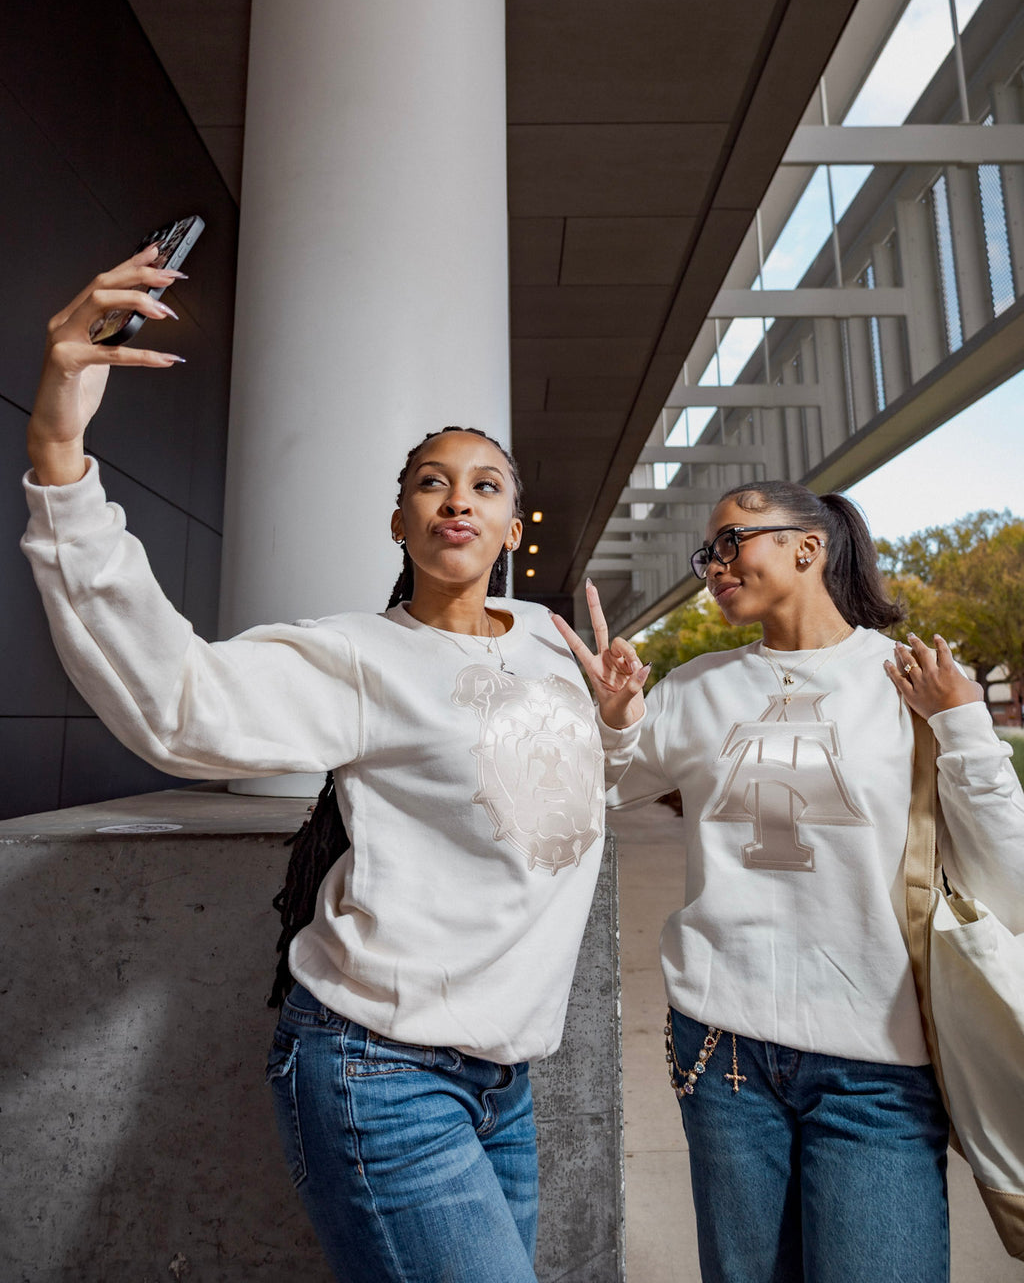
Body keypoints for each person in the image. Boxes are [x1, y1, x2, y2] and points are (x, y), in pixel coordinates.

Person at [20, 250, 649, 1283]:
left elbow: (566, 809)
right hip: (382, 1072)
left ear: (512, 526)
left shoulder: (545, 638)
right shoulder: (359, 657)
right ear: (397, 519)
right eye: (430, 484)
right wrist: (59, 454)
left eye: (484, 486)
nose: (458, 500)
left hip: (508, 1079)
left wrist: (613, 724)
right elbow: (177, 705)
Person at [555, 483, 1024, 1283]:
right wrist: (617, 716)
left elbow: (1007, 879)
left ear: (808, 547)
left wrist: (963, 726)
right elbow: (601, 791)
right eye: (708, 553)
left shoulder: (910, 680)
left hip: (878, 1067)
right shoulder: (698, 686)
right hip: (721, 1052)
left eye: (732, 541)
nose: (714, 565)